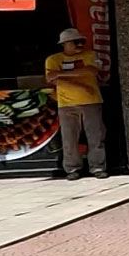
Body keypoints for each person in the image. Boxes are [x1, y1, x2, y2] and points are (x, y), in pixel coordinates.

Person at [44, 28, 106, 180]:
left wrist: (61, 74)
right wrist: (81, 83)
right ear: (64, 44)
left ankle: (97, 167)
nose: (80, 44)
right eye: (75, 42)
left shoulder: (90, 55)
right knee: (69, 138)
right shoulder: (53, 59)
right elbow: (51, 78)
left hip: (91, 101)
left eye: (81, 41)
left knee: (96, 136)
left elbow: (92, 71)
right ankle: (72, 169)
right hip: (66, 104)